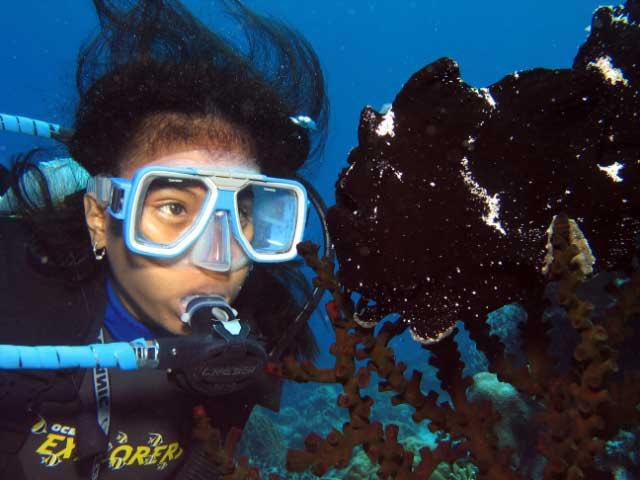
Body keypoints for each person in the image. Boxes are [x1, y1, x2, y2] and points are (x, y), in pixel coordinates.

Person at [0, 0, 329, 478]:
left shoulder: (260, 342)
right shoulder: (14, 305)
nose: (220, 256)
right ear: (99, 218)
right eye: (175, 208)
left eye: (240, 212)